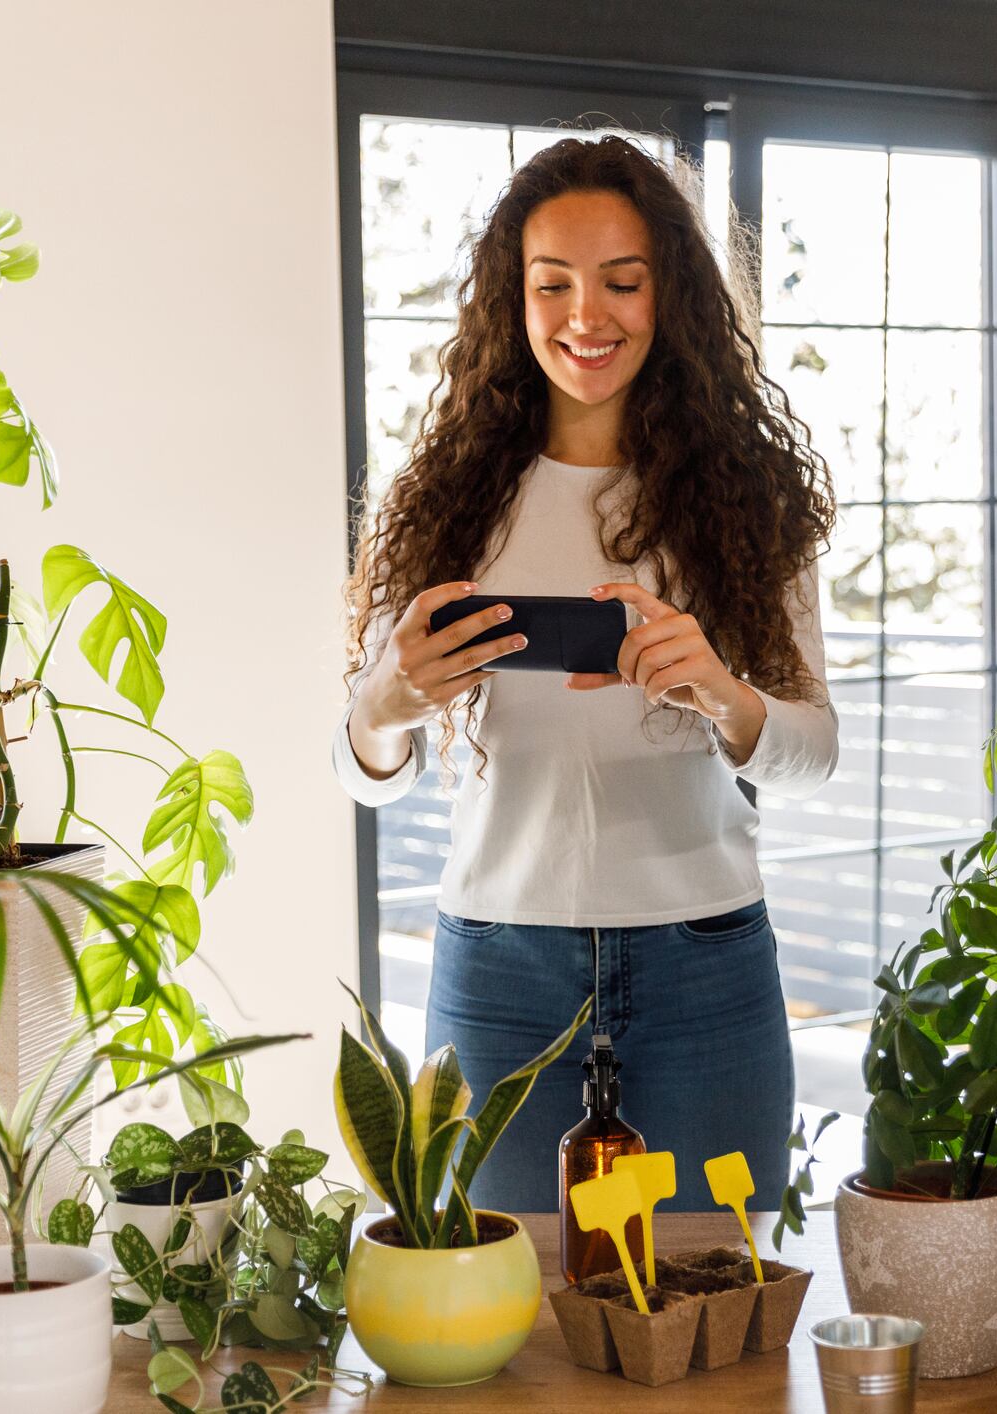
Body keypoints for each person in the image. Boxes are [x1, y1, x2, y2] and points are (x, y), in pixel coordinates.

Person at [335, 135, 838, 1214]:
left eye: (623, 280)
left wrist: (720, 690)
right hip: (500, 968)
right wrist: (387, 703)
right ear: (510, 300)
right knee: (508, 1321)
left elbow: (814, 751)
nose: (585, 315)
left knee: (717, 1310)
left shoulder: (748, 502)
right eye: (551, 283)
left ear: (672, 296)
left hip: (705, 964)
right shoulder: (445, 501)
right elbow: (367, 770)